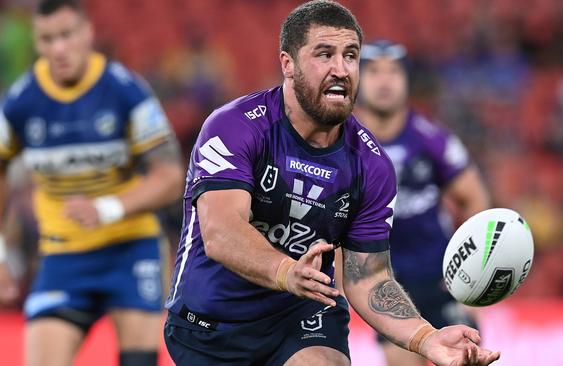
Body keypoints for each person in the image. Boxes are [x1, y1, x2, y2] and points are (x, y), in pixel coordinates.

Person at [163, 1, 499, 365]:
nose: (341, 69)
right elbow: (222, 232)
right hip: (209, 326)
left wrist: (426, 338)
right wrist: (286, 271)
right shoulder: (235, 126)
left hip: (300, 316)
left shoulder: (371, 165)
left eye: (351, 56)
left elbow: (367, 278)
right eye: (324, 54)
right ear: (287, 64)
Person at [0, 1, 185, 365]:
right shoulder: (22, 101)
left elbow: (170, 175)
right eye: (47, 39)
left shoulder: (125, 90)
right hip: (63, 254)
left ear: (88, 33)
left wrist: (108, 208)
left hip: (130, 248)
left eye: (67, 35)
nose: (59, 49)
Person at [355, 40, 492, 366]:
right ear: (357, 80)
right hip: (385, 285)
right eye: (373, 72)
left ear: (406, 81)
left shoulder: (432, 139)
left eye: (394, 72)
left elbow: (475, 200)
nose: (384, 81)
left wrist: (470, 275)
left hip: (441, 279)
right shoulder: (343, 144)